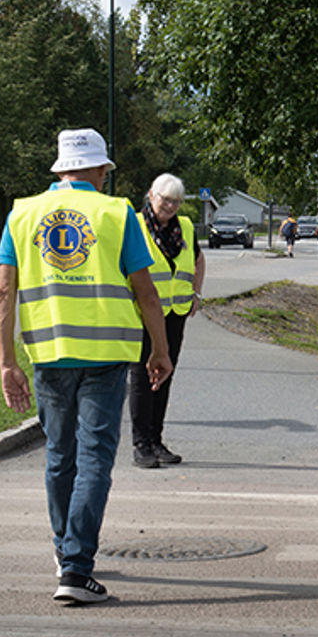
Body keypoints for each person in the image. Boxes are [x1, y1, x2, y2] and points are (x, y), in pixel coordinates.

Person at [0, 128, 172, 605]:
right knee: (94, 458)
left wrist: (6, 361)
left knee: (59, 455)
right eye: (105, 170)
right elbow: (146, 292)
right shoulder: (116, 214)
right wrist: (160, 350)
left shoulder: (22, 213)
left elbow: (3, 292)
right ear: (98, 170)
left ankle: (64, 552)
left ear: (59, 170)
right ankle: (75, 567)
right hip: (107, 355)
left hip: (49, 355)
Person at [128, 173, 205, 469]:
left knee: (165, 374)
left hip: (175, 312)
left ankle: (156, 440)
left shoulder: (184, 227)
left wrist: (196, 292)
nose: (171, 206)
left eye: (176, 201)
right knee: (141, 377)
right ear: (151, 195)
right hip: (142, 313)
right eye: (165, 199)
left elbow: (198, 260)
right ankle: (140, 444)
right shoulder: (133, 225)